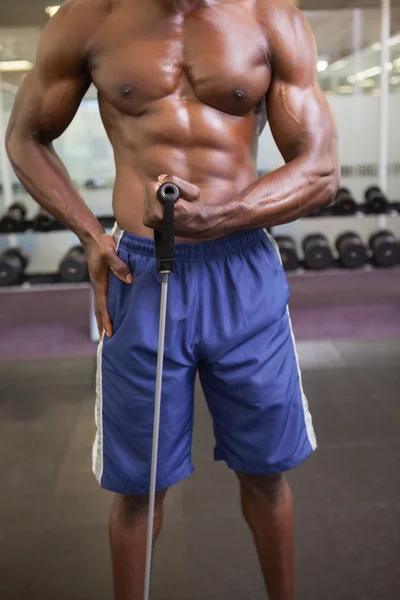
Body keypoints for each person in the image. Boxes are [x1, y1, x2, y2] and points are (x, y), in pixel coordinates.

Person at [6, 0, 338, 598]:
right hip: (137, 271)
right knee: (137, 486)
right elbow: (25, 136)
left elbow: (321, 168)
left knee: (266, 472)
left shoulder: (269, 17)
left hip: (241, 271)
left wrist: (224, 216)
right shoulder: (88, 19)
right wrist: (89, 234)